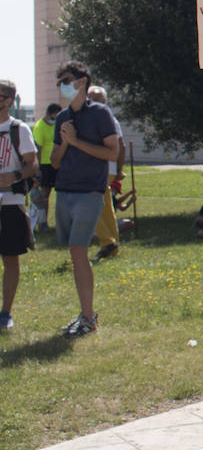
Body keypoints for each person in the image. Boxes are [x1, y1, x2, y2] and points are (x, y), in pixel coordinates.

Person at [50, 62, 120, 338]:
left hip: (90, 192)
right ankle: (85, 314)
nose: (62, 86)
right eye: (59, 82)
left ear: (82, 82)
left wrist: (77, 141)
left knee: (79, 251)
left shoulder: (101, 113)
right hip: (64, 191)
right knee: (75, 251)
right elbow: (55, 161)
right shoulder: (61, 118)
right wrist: (66, 142)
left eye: (65, 80)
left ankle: (88, 317)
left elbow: (112, 153)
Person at [0, 81, 38, 331]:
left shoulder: (19, 129)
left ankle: (5, 312)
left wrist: (13, 177)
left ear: (10, 100)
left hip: (10, 204)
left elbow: (32, 166)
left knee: (10, 258)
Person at [85, 86, 124, 263]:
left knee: (91, 204)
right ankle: (113, 243)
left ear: (105, 101)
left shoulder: (107, 119)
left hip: (102, 168)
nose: (95, 101)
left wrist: (119, 169)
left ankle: (107, 241)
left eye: (98, 98)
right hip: (100, 168)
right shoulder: (97, 118)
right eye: (92, 98)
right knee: (106, 207)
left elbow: (121, 146)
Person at [30, 103, 59, 233]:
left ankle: (62, 222)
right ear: (49, 114)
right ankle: (43, 222)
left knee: (62, 192)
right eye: (55, 115)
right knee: (45, 193)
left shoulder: (57, 125)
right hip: (45, 164)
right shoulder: (39, 126)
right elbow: (38, 149)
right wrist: (38, 168)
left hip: (57, 163)